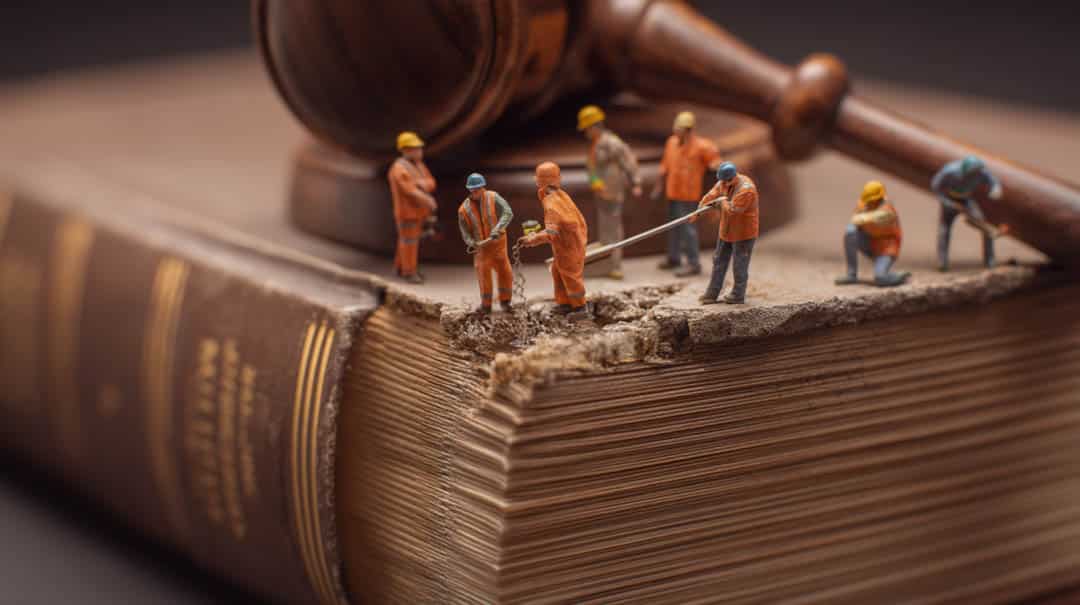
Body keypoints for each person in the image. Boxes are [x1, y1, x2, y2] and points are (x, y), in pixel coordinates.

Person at [652, 111, 722, 277]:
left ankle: (693, 263)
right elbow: (665, 166)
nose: (677, 132)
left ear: (689, 130)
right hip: (673, 193)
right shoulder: (671, 143)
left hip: (689, 196)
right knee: (673, 227)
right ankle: (674, 257)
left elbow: (716, 161)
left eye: (681, 129)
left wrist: (716, 169)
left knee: (688, 230)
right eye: (676, 128)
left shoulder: (702, 146)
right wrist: (659, 185)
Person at [577, 105, 642, 280]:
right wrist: (594, 181)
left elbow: (628, 160)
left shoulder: (611, 143)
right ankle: (607, 264)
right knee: (605, 230)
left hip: (613, 192)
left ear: (595, 126)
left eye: (587, 129)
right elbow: (592, 167)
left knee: (613, 230)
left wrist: (635, 181)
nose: (586, 133)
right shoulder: (596, 144)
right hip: (602, 192)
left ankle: (615, 265)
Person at [519, 162, 589, 318]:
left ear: (539, 181)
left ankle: (580, 308)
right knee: (558, 272)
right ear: (558, 179)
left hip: (568, 247)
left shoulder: (551, 204)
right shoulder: (561, 195)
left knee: (571, 277)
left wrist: (533, 239)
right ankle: (564, 303)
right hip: (570, 243)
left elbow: (551, 233)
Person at [695, 162, 758, 304]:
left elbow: (733, 211)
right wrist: (699, 210)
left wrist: (722, 203)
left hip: (743, 233)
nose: (722, 184)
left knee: (739, 264)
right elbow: (712, 194)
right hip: (726, 231)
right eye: (721, 181)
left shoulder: (747, 190)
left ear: (733, 177)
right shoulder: (723, 183)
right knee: (718, 261)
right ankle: (711, 293)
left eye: (725, 181)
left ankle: (738, 295)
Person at [931, 155, 1003, 271]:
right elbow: (935, 186)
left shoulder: (981, 172)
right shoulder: (950, 171)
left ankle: (989, 259)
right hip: (950, 200)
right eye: (972, 174)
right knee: (944, 230)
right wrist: (946, 202)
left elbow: (993, 181)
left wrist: (995, 189)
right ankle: (942, 261)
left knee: (984, 226)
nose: (975, 175)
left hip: (967, 200)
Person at [834, 181, 911, 287]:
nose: (868, 203)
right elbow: (854, 220)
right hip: (870, 242)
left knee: (880, 278)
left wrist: (861, 217)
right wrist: (858, 219)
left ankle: (899, 276)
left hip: (886, 248)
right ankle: (851, 274)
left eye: (871, 200)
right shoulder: (863, 204)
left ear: (879, 198)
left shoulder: (887, 210)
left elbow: (871, 217)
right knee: (850, 232)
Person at [458, 173, 515, 313]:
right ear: (469, 190)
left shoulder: (494, 197)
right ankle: (486, 304)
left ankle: (505, 301)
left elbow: (508, 213)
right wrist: (471, 242)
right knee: (484, 276)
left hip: (498, 245)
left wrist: (498, 228)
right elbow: (464, 231)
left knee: (505, 272)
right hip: (482, 249)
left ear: (483, 187)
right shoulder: (464, 210)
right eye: (473, 189)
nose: (476, 191)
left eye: (478, 188)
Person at [387, 131, 437, 284]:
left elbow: (431, 182)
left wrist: (423, 185)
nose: (419, 152)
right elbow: (409, 191)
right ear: (405, 150)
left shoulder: (420, 166)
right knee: (409, 242)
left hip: (418, 212)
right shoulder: (398, 169)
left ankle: (400, 266)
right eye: (415, 149)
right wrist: (428, 200)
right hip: (407, 213)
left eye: (419, 148)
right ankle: (409, 272)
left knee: (407, 240)